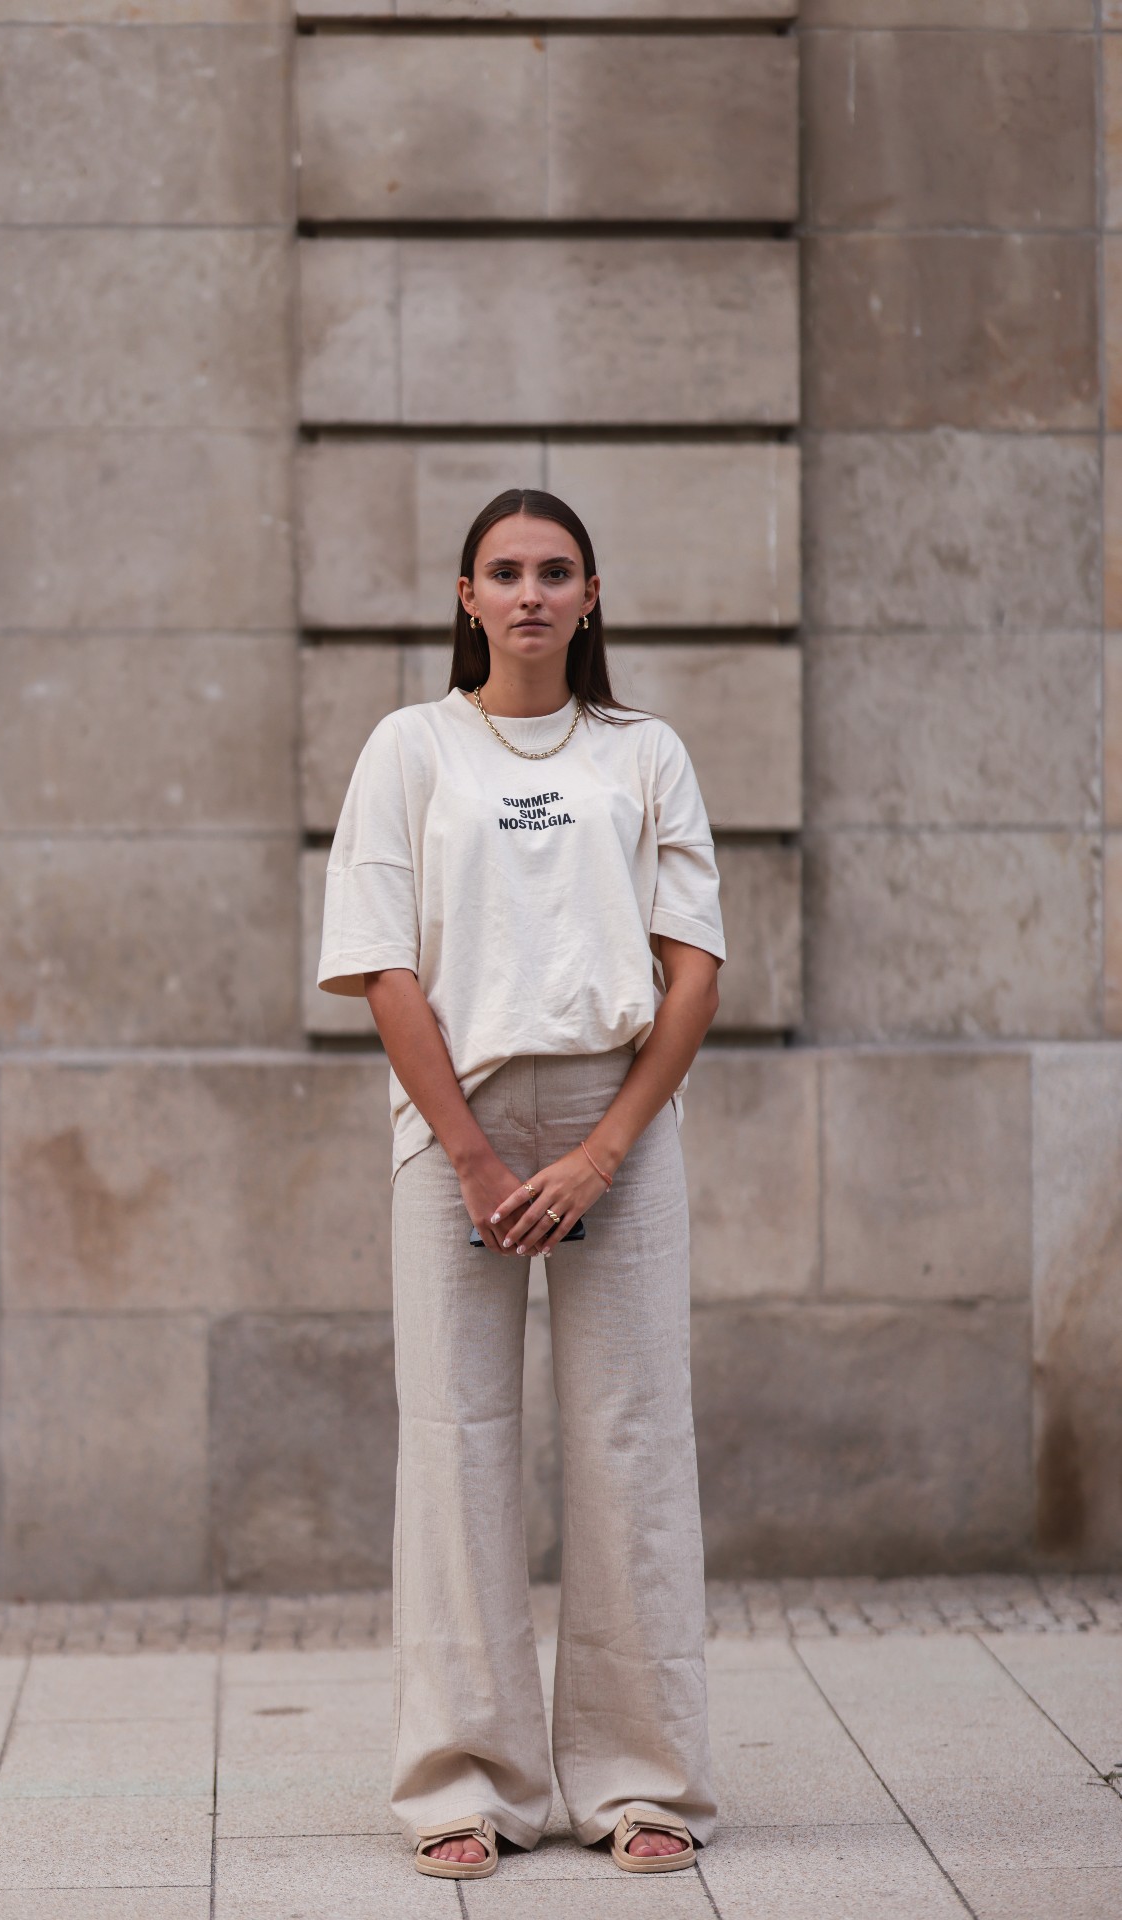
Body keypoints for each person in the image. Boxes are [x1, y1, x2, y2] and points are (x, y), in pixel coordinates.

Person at [316, 487, 725, 1880]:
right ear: (465, 595)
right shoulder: (409, 748)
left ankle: (639, 1781)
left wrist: (603, 1147)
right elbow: (382, 964)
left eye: (556, 571)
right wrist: (480, 1160)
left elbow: (693, 968)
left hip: (620, 1115)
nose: (532, 593)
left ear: (592, 597)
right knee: (456, 1445)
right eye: (506, 572)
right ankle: (465, 1786)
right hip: (459, 1124)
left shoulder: (643, 753)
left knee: (631, 1445)